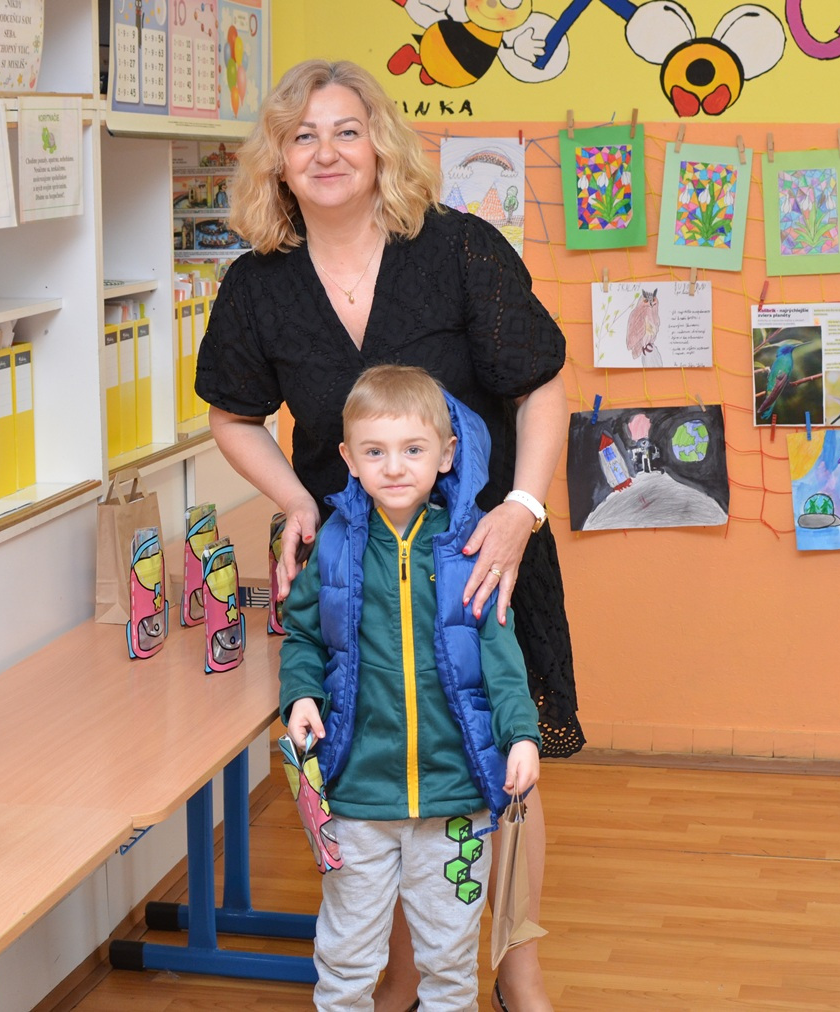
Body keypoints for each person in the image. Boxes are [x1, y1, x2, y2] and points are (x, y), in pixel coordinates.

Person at [195, 58, 582, 1011]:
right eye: (302, 136)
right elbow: (233, 416)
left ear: (381, 147)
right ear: (277, 162)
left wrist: (522, 512)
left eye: (346, 131)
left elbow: (541, 387)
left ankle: (516, 971)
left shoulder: (458, 250)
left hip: (484, 550)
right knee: (387, 762)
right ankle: (407, 979)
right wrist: (298, 502)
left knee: (497, 753)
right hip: (357, 567)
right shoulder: (258, 286)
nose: (326, 152)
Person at [281, 365, 541, 1011]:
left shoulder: (471, 548)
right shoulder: (334, 546)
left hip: (455, 797)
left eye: (413, 449)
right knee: (346, 955)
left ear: (446, 454)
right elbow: (304, 636)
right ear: (349, 459)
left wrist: (521, 735)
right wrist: (301, 694)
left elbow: (502, 658)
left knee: (450, 960)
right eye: (375, 452)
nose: (394, 467)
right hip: (358, 797)